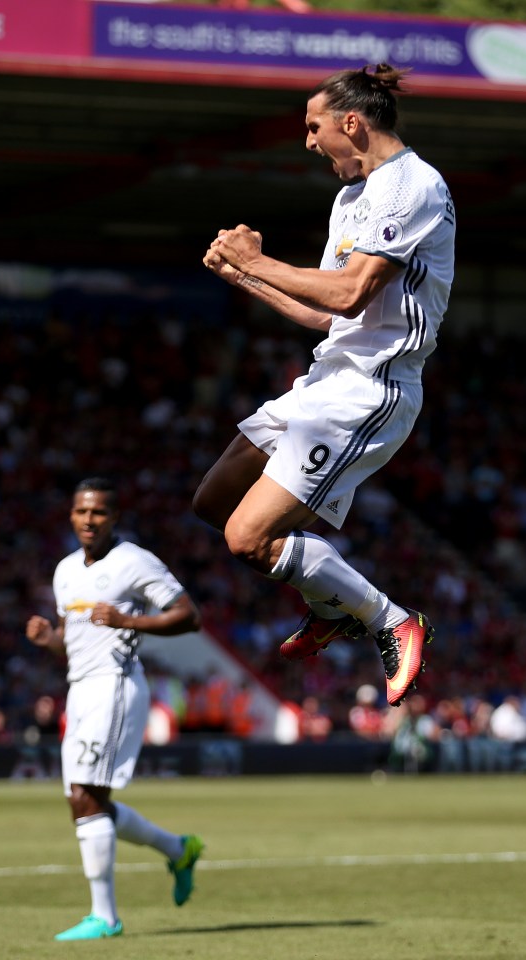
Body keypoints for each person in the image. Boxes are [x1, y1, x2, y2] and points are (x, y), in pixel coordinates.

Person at [195, 63, 456, 708]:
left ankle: (389, 617)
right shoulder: (351, 198)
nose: (308, 142)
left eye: (313, 128)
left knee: (246, 537)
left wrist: (259, 259)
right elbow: (324, 313)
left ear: (351, 123)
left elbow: (348, 292)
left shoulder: (412, 186)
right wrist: (245, 277)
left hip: (370, 389)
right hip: (325, 378)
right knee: (213, 502)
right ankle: (329, 602)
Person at [25, 477, 204, 941]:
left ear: (115, 517)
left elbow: (189, 615)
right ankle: (178, 849)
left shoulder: (134, 562)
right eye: (82, 511)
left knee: (87, 796)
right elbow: (75, 641)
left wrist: (129, 619)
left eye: (100, 512)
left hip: (116, 685)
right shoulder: (65, 571)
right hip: (79, 688)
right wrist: (51, 641)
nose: (89, 520)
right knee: (83, 801)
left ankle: (104, 918)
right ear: (71, 515)